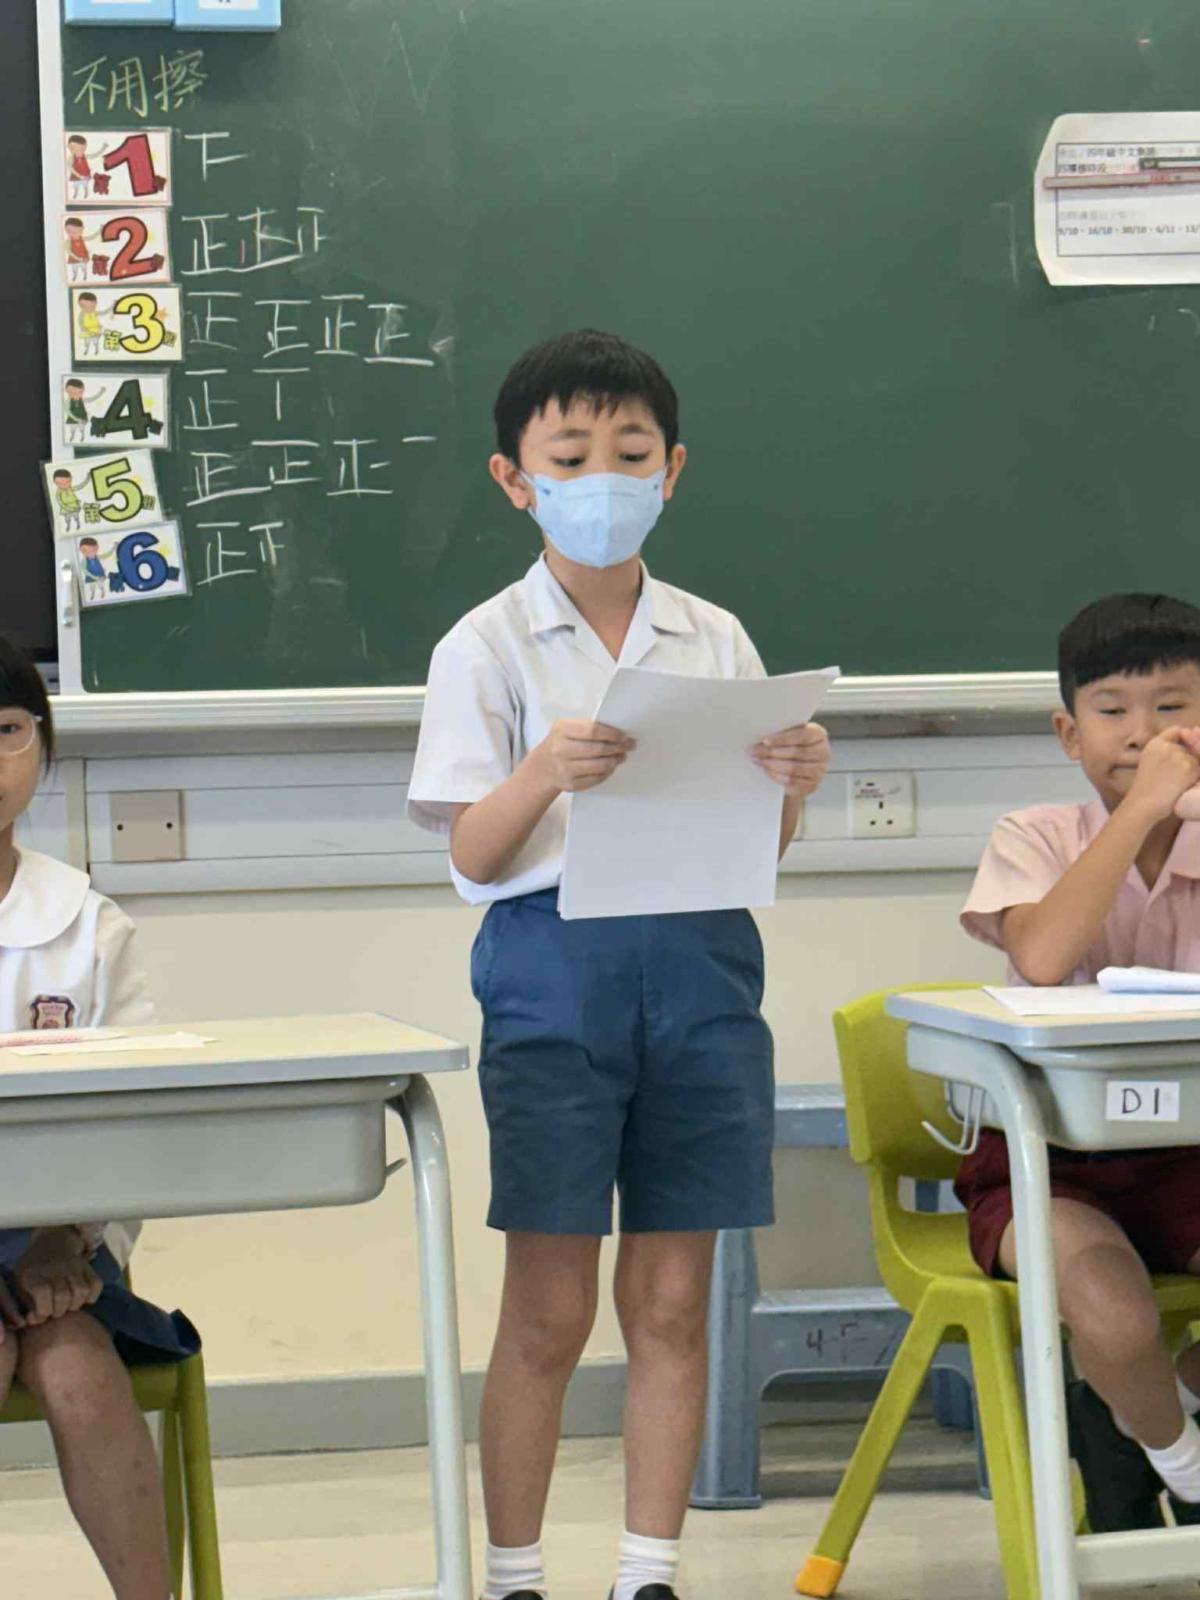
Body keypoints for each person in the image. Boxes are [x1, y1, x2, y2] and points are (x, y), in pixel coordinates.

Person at [407, 330, 831, 1600]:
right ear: (514, 478)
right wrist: (548, 768)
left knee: (672, 1295)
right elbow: (473, 854)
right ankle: (515, 1573)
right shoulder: (486, 643)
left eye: (632, 453)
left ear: (672, 468)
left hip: (703, 966)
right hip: (553, 968)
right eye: (572, 454)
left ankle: (649, 1569)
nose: (605, 478)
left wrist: (792, 781)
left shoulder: (714, 634)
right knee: (548, 1305)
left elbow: (756, 840)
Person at [959, 592, 1200, 1533]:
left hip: (1188, 1150)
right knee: (1110, 1310)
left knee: (1136, 1352)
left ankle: (1141, 1405)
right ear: (1069, 732)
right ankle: (1184, 1465)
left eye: (1173, 707)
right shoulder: (1033, 836)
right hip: (1050, 1163)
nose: (1143, 733)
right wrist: (1140, 811)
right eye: (1113, 711)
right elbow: (1044, 955)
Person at [0, 630, 199, 1600]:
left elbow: (133, 1115)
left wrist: (64, 1238)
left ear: (43, 746)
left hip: (58, 1247)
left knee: (78, 1373)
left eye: (7, 731)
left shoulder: (85, 921)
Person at [52, 469, 84, 534]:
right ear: (55, 482)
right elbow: (60, 502)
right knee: (67, 519)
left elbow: (80, 486)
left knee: (76, 517)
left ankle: (78, 524)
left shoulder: (71, 488)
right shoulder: (58, 492)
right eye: (60, 483)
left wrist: (87, 479)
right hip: (66, 508)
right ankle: (68, 526)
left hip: (74, 506)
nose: (64, 485)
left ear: (71, 479)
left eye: (67, 482)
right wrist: (68, 508)